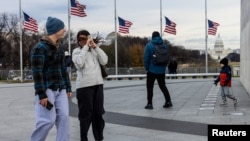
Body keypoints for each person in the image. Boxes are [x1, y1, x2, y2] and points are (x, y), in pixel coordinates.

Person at [30, 16, 72, 141]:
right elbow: (37, 73)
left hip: (61, 89)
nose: (64, 30)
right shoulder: (40, 48)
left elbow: (63, 69)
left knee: (64, 117)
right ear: (56, 30)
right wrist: (41, 94)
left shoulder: (60, 47)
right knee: (47, 121)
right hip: (47, 89)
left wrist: (68, 87)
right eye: (62, 28)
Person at [72, 30, 108, 141]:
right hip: (84, 87)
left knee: (98, 114)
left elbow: (104, 61)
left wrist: (95, 47)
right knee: (85, 116)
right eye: (79, 39)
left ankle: (99, 137)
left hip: (98, 85)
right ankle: (84, 138)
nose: (81, 41)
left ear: (89, 38)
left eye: (84, 38)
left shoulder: (94, 50)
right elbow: (79, 63)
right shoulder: (76, 51)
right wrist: (86, 47)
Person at [143, 31, 172, 109]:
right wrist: (163, 67)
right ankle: (168, 101)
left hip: (152, 70)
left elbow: (146, 58)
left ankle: (149, 104)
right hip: (161, 71)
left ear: (152, 37)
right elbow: (167, 58)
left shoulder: (149, 45)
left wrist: (147, 68)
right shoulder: (165, 46)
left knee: (150, 87)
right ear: (159, 36)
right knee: (163, 86)